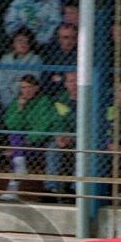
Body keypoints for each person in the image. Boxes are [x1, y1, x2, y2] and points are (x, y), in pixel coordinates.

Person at [0, 75, 59, 201]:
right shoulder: (16, 102)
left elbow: (44, 126)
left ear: (36, 88)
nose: (26, 90)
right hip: (22, 145)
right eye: (23, 87)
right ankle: (20, 162)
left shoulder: (44, 102)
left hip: (38, 142)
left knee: (15, 152)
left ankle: (12, 189)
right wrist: (20, 109)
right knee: (15, 137)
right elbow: (12, 125)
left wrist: (28, 141)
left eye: (29, 87)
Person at [44, 70, 78, 200]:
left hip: (83, 138)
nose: (74, 84)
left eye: (77, 81)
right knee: (53, 148)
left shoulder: (91, 97)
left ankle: (74, 189)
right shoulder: (60, 100)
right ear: (65, 84)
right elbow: (57, 120)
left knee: (82, 150)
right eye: (71, 81)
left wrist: (72, 136)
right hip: (65, 136)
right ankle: (51, 188)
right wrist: (59, 135)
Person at [0, 28, 44, 110]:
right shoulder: (5, 59)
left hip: (28, 100)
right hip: (6, 100)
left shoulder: (35, 60)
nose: (23, 44)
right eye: (19, 40)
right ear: (13, 43)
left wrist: (12, 81)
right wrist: (9, 103)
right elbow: (2, 84)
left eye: (27, 41)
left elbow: (29, 83)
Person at [42, 23, 77, 95]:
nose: (69, 41)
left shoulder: (81, 54)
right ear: (58, 38)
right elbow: (45, 80)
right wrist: (65, 79)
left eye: (73, 37)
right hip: (54, 93)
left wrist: (60, 78)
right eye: (65, 37)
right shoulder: (51, 54)